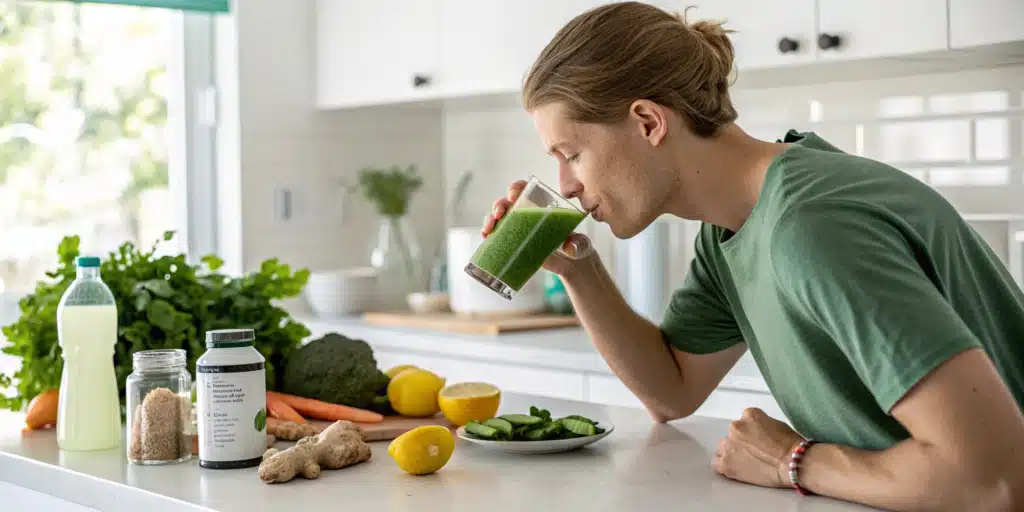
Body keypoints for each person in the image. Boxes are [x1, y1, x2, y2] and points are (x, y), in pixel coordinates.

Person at [479, 2, 1024, 511]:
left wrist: (794, 461)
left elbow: (992, 478)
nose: (566, 186)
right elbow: (673, 390)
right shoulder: (733, 229)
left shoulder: (811, 227)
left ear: (648, 122)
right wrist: (580, 271)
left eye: (572, 155)